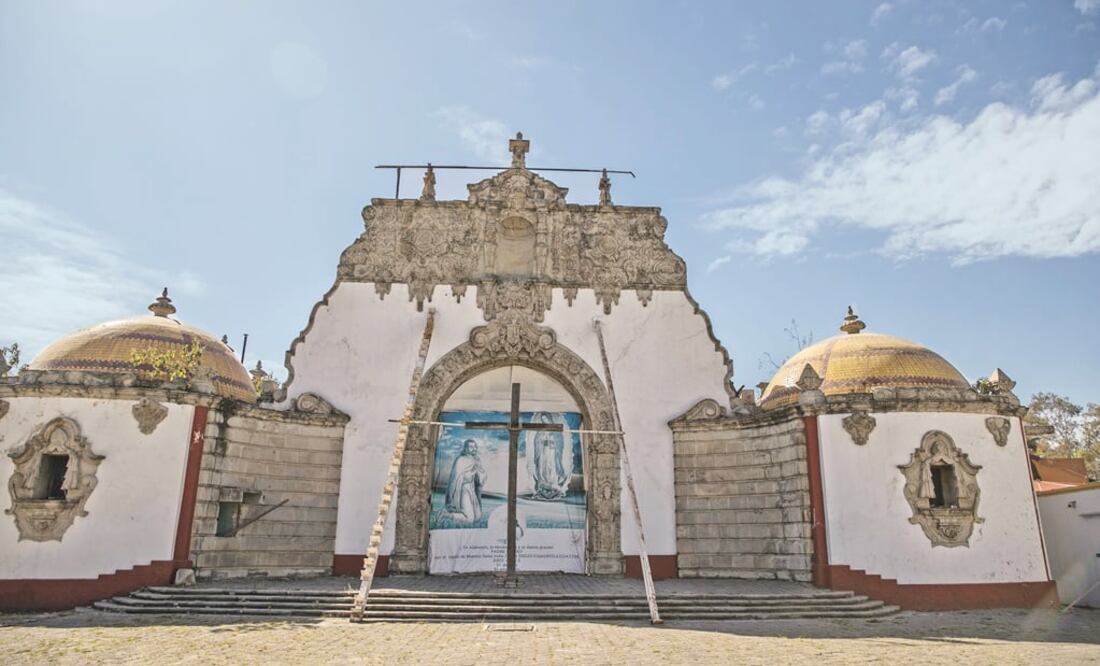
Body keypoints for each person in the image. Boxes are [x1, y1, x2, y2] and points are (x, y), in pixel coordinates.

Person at [444, 439, 487, 524]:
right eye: (471, 447)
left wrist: (480, 475)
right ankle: (447, 515)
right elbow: (457, 477)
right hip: (463, 490)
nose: (474, 449)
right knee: (469, 519)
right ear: (466, 448)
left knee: (478, 517)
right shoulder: (461, 459)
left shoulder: (476, 460)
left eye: (475, 447)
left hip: (472, 490)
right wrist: (470, 474)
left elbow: (482, 475)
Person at [531, 413, 567, 500]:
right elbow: (536, 441)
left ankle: (553, 485)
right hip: (543, 452)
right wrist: (542, 440)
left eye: (546, 419)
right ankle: (544, 484)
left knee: (552, 467)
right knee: (544, 467)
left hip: (552, 452)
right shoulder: (540, 431)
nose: (545, 421)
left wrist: (552, 439)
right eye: (543, 420)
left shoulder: (555, 430)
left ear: (550, 419)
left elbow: (559, 441)